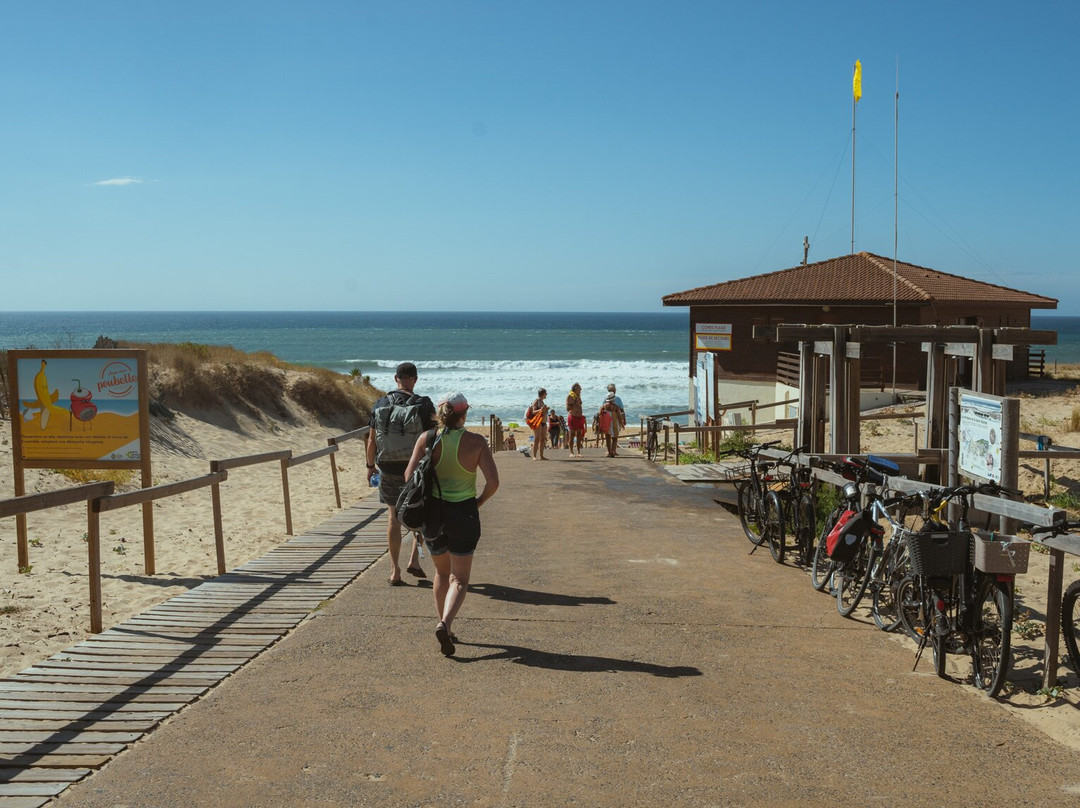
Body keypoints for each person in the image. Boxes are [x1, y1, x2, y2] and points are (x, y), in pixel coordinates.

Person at [404, 392, 499, 657]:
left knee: (442, 573)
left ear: (441, 412)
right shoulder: (476, 442)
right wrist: (478, 502)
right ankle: (445, 623)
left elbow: (409, 475)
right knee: (460, 577)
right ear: (464, 413)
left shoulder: (427, 439)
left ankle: (445, 627)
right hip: (463, 513)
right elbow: (493, 482)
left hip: (433, 513)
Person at [366, 362, 437, 586]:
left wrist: (370, 467)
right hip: (415, 468)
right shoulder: (423, 404)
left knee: (392, 518)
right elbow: (431, 438)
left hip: (387, 467)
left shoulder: (380, 403)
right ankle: (414, 559)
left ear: (396, 379)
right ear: (415, 379)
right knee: (422, 513)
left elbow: (371, 440)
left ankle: (394, 571)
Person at [525, 388, 549, 460]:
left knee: (543, 439)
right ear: (542, 394)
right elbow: (533, 411)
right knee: (537, 438)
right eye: (545, 393)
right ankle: (534, 456)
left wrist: (545, 409)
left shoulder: (542, 402)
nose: (546, 394)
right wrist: (541, 409)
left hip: (544, 422)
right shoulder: (537, 401)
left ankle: (541, 456)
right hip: (538, 422)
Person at [606, 383, 627, 457]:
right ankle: (612, 451)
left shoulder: (604, 403)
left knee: (608, 436)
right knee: (614, 437)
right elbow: (621, 411)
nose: (614, 390)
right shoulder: (616, 403)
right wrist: (622, 422)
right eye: (612, 389)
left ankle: (611, 451)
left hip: (607, 421)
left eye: (614, 389)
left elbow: (600, 413)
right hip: (615, 421)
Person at [566, 383, 585, 457]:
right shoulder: (570, 397)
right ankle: (571, 452)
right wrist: (575, 403)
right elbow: (568, 408)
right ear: (576, 389)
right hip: (573, 417)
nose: (580, 390)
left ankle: (578, 451)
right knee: (572, 435)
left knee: (579, 435)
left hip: (579, 417)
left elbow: (580, 404)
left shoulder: (578, 396)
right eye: (579, 389)